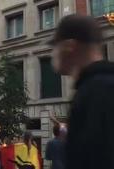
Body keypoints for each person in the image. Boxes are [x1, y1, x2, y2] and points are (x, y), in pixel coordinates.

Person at [49, 14, 114, 169]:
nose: (52, 53)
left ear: (69, 47)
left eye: (55, 46)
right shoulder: (94, 87)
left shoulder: (97, 92)